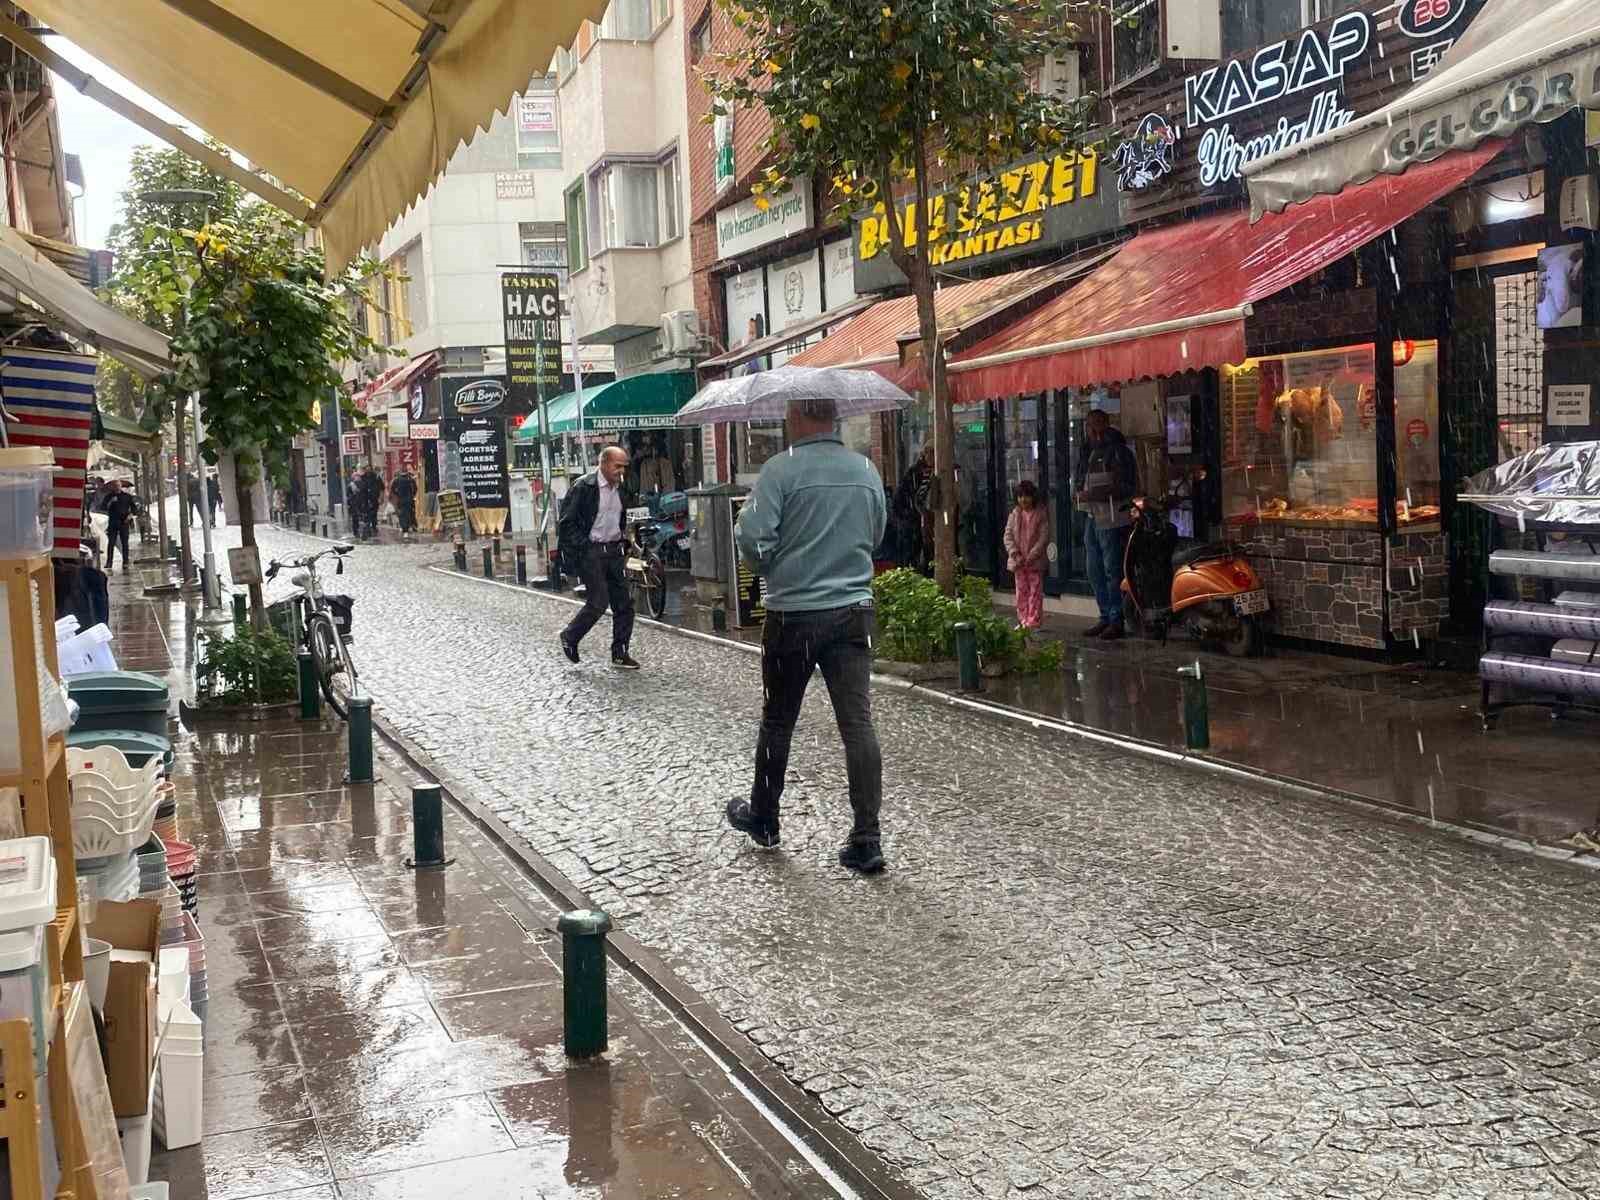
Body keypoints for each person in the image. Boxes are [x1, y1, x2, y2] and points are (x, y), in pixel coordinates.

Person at [725, 396, 888, 875]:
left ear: (798, 416)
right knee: (857, 724)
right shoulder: (865, 469)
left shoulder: (780, 470)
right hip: (853, 611)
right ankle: (867, 838)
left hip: (793, 614)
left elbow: (751, 537)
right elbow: (876, 534)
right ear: (834, 418)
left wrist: (772, 566)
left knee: (778, 721)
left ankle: (765, 819)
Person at [557, 446, 641, 670]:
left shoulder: (623, 487)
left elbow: (623, 516)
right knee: (599, 601)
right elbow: (566, 523)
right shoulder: (584, 487)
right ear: (603, 463)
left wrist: (625, 541)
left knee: (624, 604)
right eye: (617, 466)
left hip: (614, 550)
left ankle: (620, 653)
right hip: (591, 551)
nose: (621, 471)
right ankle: (570, 636)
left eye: (624, 467)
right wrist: (584, 547)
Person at [1074, 409, 1138, 640]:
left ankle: (1115, 618)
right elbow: (1081, 478)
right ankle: (1104, 615)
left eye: (1097, 424)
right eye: (1090, 426)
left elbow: (1127, 486)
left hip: (1112, 519)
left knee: (1112, 570)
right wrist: (1079, 492)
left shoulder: (1119, 451)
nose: (1093, 430)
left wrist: (1094, 494)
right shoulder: (1087, 450)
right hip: (1091, 515)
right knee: (1094, 570)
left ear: (1106, 424)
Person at [1004, 480, 1049, 631]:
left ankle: (1034, 621)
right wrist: (1015, 554)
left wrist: (1032, 555)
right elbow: (1008, 536)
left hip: (1034, 562)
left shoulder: (1040, 515)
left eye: (1027, 496)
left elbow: (1043, 538)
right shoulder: (1014, 515)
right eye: (1020, 496)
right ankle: (1023, 620)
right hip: (1018, 562)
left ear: (1033, 497)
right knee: (1021, 592)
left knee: (1035, 593)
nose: (1023, 499)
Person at [891, 443, 934, 574]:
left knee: (928, 549)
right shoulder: (914, 472)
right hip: (914, 519)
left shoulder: (941, 470)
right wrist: (907, 516)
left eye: (933, 453)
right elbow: (901, 496)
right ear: (924, 454)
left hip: (930, 519)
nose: (932, 457)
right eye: (929, 453)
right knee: (913, 551)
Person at [100, 479, 141, 574]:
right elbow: (102, 507)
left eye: (118, 485)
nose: (117, 487)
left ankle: (125, 562)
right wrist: (110, 502)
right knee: (111, 543)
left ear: (121, 486)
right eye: (115, 486)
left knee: (125, 543)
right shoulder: (109, 496)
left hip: (124, 522)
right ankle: (109, 562)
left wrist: (130, 516)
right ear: (112, 487)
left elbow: (134, 509)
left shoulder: (127, 496)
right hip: (113, 522)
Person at [390, 468, 418, 536]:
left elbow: (392, 489)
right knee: (409, 513)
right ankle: (409, 526)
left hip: (401, 499)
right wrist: (412, 495)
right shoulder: (410, 479)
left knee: (402, 514)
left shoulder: (397, 479)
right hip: (409, 499)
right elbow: (415, 488)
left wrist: (397, 493)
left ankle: (404, 527)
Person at [361, 468, 385, 538]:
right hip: (365, 499)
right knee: (367, 513)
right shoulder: (362, 477)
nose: (368, 470)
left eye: (369, 469)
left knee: (374, 513)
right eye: (366, 469)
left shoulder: (376, 477)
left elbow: (382, 488)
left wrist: (381, 497)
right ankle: (368, 527)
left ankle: (373, 526)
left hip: (374, 498)